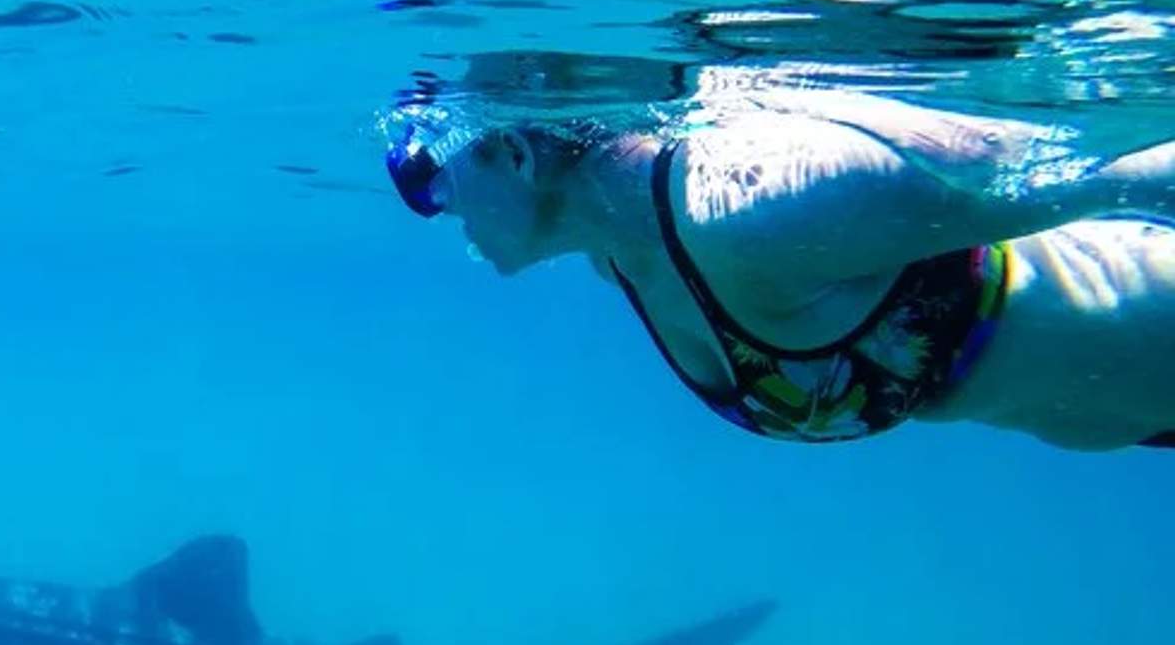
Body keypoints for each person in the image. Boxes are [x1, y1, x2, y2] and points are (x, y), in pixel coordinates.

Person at [385, 77, 1175, 450]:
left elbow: (1103, 170)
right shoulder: (615, 248)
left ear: (515, 153)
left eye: (431, 180)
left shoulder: (749, 210)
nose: (436, 208)